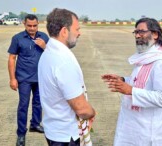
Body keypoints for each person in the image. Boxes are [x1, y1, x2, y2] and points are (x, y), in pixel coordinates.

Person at [101, 17, 162, 146]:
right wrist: (123, 80)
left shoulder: (160, 63)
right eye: (135, 32)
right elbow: (141, 82)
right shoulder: (145, 58)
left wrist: (130, 90)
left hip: (151, 132)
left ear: (155, 34)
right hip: (136, 126)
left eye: (142, 32)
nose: (137, 36)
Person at [38, 8, 96, 146]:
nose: (79, 33)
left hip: (54, 130)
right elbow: (81, 109)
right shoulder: (63, 61)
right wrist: (92, 113)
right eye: (77, 29)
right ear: (64, 31)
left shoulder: (48, 52)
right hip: (66, 136)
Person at [7, 14, 49, 146]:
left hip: (40, 78)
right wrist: (12, 78)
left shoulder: (44, 37)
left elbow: (53, 55)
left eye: (34, 25)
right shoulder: (18, 38)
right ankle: (20, 134)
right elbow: (12, 58)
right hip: (24, 78)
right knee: (23, 106)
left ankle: (35, 124)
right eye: (29, 25)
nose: (32, 28)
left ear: (38, 24)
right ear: (24, 24)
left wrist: (45, 47)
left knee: (38, 103)